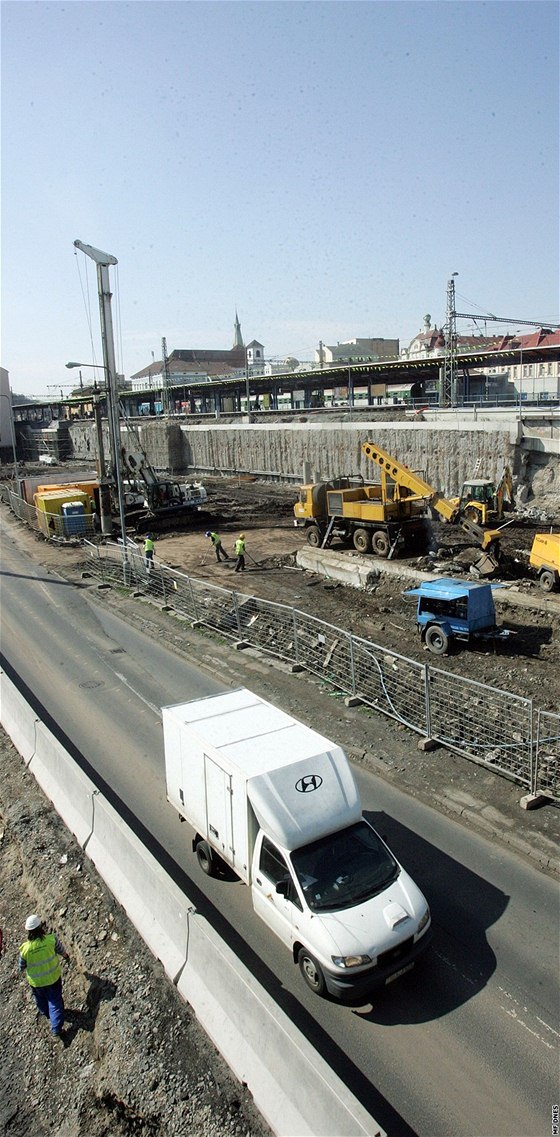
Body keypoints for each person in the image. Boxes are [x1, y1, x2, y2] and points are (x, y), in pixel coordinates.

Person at [19, 914, 70, 1041]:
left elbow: (21, 966)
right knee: (55, 1001)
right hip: (52, 978)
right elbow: (62, 951)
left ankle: (47, 1014)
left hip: (36, 982)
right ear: (40, 927)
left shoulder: (25, 948)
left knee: (41, 1000)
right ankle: (56, 1027)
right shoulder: (51, 940)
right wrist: (65, 956)